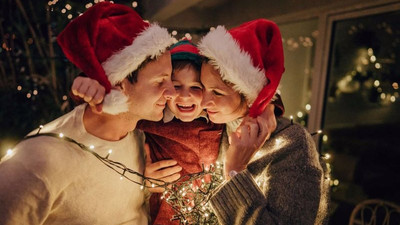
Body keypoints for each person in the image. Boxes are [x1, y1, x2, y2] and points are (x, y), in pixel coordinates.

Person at [72, 38, 284, 224]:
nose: (185, 96)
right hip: (162, 213)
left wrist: (268, 106)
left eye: (196, 88)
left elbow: (243, 91)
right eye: (176, 86)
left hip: (211, 212)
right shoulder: (153, 118)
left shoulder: (216, 117)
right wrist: (88, 84)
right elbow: (113, 107)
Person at [0, 2, 176, 225]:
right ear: (119, 84)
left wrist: (147, 189)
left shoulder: (140, 138)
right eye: (160, 81)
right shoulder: (39, 160)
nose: (171, 92)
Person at [197, 18, 330, 225]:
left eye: (217, 92)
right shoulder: (214, 124)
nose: (203, 101)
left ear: (249, 93)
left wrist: (235, 171)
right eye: (203, 88)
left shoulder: (293, 144)